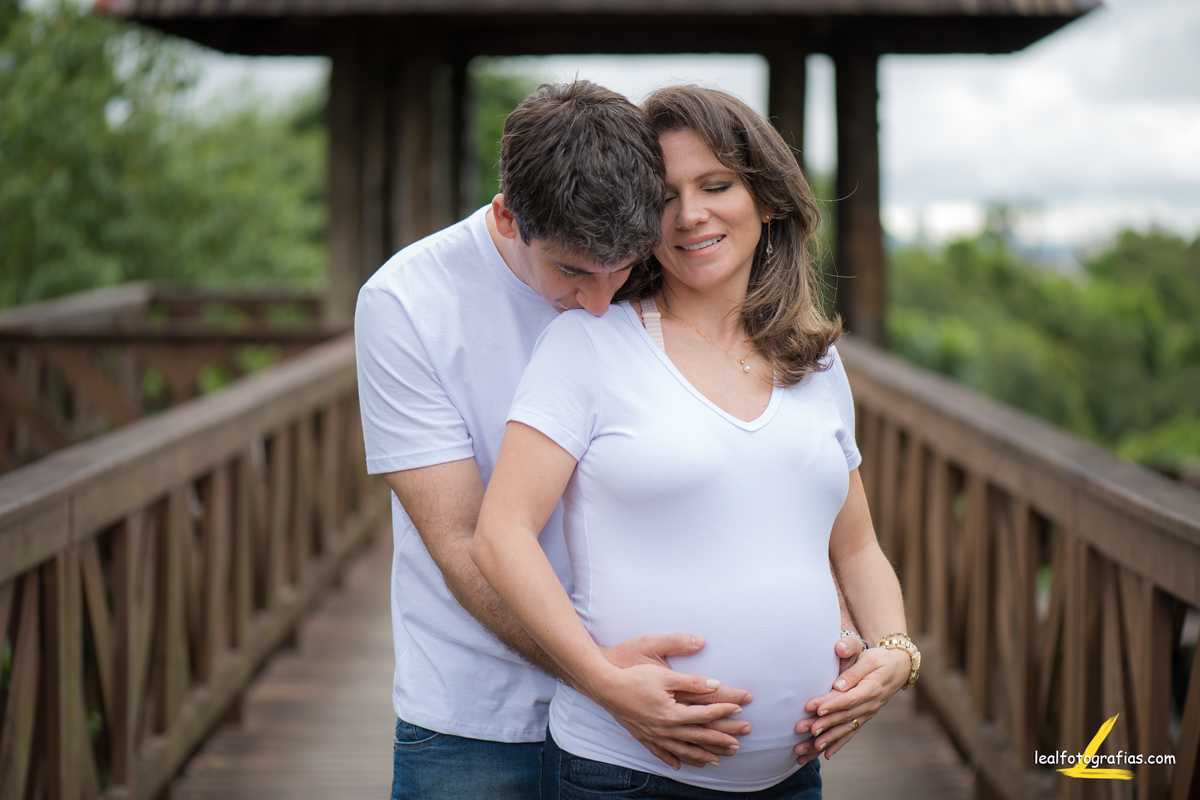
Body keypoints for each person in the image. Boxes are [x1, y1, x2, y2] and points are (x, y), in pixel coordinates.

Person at [355, 80, 867, 800]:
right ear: (507, 218)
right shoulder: (407, 302)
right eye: (571, 271)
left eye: (621, 268)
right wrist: (603, 679)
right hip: (479, 714)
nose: (599, 301)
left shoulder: (656, 272)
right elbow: (468, 539)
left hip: (670, 730)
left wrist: (838, 618)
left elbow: (765, 474)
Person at [471, 85, 918, 799]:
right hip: (626, 772)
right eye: (666, 196)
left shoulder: (816, 362)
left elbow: (855, 545)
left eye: (717, 185)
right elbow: (501, 533)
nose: (690, 214)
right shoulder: (588, 346)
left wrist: (896, 650)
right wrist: (604, 680)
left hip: (796, 775)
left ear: (766, 199)